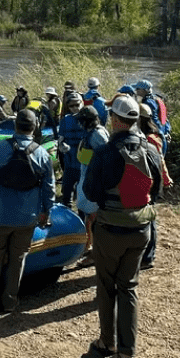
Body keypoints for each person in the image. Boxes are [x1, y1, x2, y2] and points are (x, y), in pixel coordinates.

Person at [84, 94, 163, 358]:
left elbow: (91, 193)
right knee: (128, 288)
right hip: (140, 231)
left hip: (110, 230)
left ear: (115, 120)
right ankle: (127, 355)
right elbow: (156, 194)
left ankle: (107, 342)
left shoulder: (105, 153)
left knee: (106, 286)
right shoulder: (151, 150)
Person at [0, 108, 55, 315]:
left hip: (0, 213)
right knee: (18, 258)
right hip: (28, 216)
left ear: (15, 125)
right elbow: (49, 188)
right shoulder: (43, 154)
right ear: (34, 127)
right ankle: (9, 301)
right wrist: (47, 211)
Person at [137, 102, 173, 269]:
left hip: (151, 183)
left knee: (150, 220)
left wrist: (165, 179)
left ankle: (148, 257)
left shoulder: (150, 137)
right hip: (150, 181)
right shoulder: (152, 134)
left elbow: (159, 160)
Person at [74, 106, 110, 267]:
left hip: (95, 180)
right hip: (86, 176)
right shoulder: (91, 133)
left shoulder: (98, 134)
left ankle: (97, 253)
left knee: (95, 218)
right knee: (88, 215)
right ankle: (88, 246)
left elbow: (107, 158)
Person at [57, 91, 85, 206]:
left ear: (82, 103)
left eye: (77, 105)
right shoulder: (65, 120)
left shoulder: (88, 120)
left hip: (83, 164)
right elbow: (60, 138)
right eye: (71, 106)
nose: (74, 108)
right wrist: (61, 146)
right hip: (69, 163)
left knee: (82, 197)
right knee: (66, 195)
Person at [135, 79, 171, 154]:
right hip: (165, 132)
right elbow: (165, 118)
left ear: (144, 90)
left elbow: (153, 119)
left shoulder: (148, 103)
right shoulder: (157, 98)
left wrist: (159, 133)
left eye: (137, 89)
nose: (136, 90)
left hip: (159, 135)